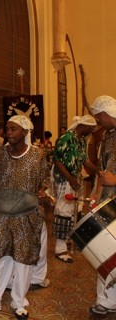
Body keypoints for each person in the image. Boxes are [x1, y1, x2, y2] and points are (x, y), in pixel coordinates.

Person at [0, 115, 49, 320]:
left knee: (23, 260)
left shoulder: (38, 155)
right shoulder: (0, 154)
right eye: (7, 129)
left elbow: (44, 180)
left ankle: (19, 303)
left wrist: (43, 193)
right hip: (2, 215)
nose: (9, 133)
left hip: (28, 215)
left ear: (25, 132)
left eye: (13, 129)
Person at [52, 114, 97, 263]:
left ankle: (71, 240)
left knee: (76, 210)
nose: (91, 131)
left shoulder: (82, 140)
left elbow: (85, 160)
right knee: (64, 210)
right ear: (83, 126)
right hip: (64, 178)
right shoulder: (66, 138)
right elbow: (57, 160)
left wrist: (99, 171)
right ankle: (60, 249)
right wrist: (70, 178)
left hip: (75, 177)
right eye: (90, 128)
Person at [89, 95, 116, 315]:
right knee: (105, 252)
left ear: (105, 115)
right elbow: (101, 169)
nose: (99, 122)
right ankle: (106, 300)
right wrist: (96, 195)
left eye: (99, 118)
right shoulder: (107, 136)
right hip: (108, 203)